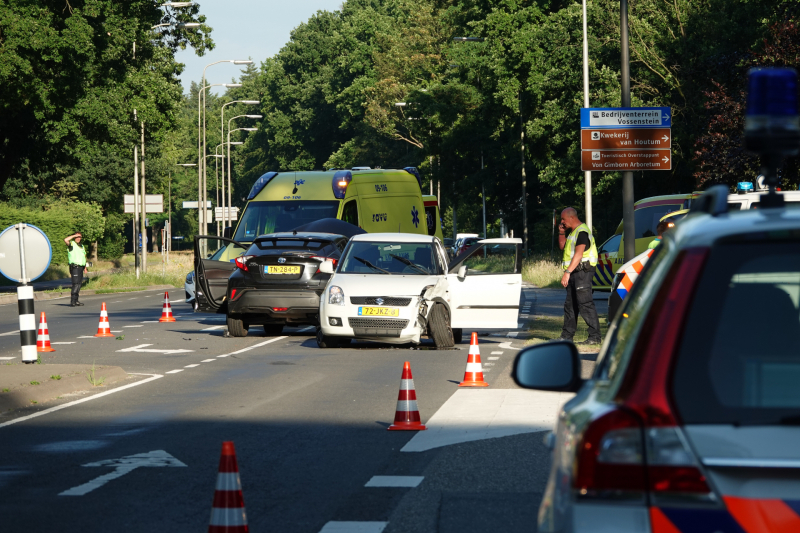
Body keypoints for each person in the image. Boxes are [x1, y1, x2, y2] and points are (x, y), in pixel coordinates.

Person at [558, 207, 601, 344]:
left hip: (582, 272)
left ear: (572, 217)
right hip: (575, 272)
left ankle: (594, 337)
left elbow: (579, 254)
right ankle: (566, 337)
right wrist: (561, 232)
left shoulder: (582, 232)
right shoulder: (573, 232)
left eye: (563, 219)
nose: (562, 221)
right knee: (570, 305)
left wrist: (567, 272)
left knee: (585, 303)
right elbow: (562, 246)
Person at [64, 232, 88, 307]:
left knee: (79, 284)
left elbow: (83, 257)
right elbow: (66, 240)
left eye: (80, 237)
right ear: (75, 237)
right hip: (75, 267)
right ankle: (73, 301)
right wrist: (74, 235)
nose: (78, 238)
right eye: (77, 237)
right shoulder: (72, 244)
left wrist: (85, 268)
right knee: (75, 284)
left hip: (81, 267)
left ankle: (76, 300)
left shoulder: (82, 246)